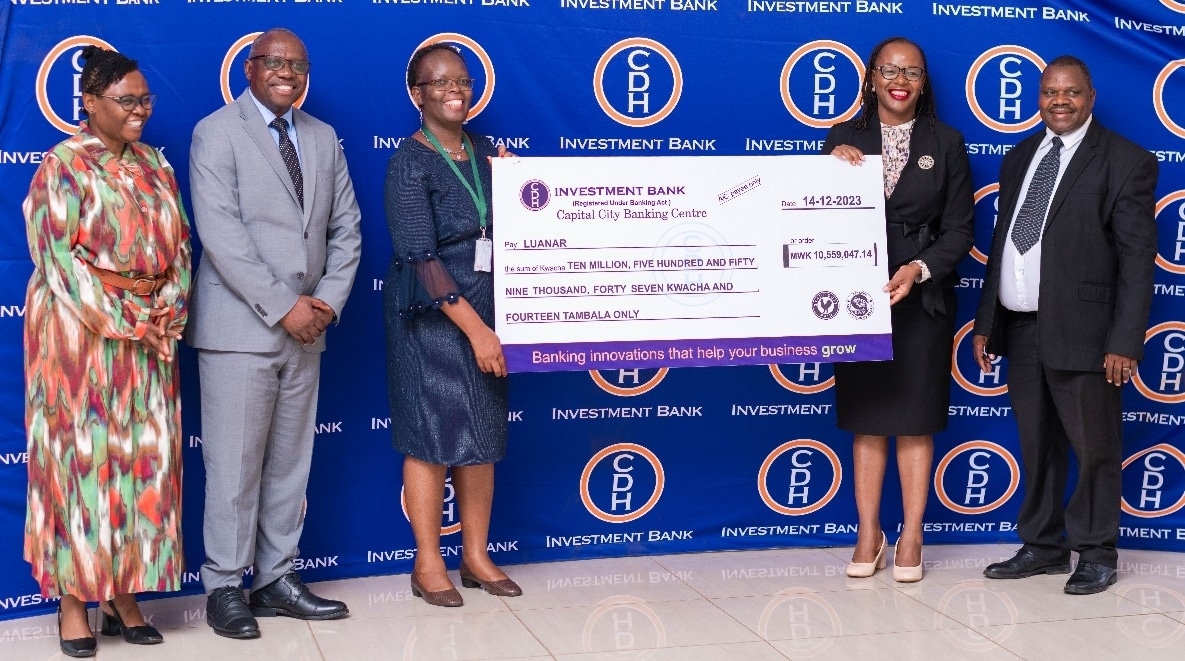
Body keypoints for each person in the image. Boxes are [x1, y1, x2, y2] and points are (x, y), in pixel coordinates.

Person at [187, 27, 362, 637]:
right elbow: (222, 234)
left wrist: (326, 306)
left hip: (307, 330)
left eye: (298, 64)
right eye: (275, 62)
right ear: (250, 68)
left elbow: (347, 231)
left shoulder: (322, 137)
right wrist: (285, 305)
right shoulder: (216, 131)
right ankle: (226, 585)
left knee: (290, 464)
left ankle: (276, 579)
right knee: (234, 469)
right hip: (241, 328)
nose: (287, 72)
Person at [22, 46, 191, 657]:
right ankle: (73, 601)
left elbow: (181, 248)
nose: (140, 111)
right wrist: (127, 320)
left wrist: (167, 309)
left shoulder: (156, 165)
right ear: (89, 102)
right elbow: (58, 260)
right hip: (79, 340)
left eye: (145, 100)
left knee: (142, 462)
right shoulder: (61, 165)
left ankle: (124, 594)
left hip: (149, 338)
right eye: (126, 101)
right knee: (81, 465)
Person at [974, 55, 1157, 595]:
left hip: (1089, 335)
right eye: (1051, 92)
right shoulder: (1021, 156)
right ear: (1039, 96)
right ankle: (1044, 545)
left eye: (1071, 92)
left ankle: (1097, 550)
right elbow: (1004, 247)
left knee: (1094, 447)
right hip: (1022, 326)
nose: (1060, 101)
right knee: (1037, 444)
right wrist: (988, 320)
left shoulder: (1125, 161)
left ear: (1091, 96)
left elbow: (1137, 260)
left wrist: (1125, 340)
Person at [823, 36, 974, 583]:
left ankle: (912, 534)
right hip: (856, 300)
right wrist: (831, 169)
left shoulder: (947, 141)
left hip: (922, 298)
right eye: (890, 69)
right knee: (868, 422)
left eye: (912, 70)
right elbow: (814, 217)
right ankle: (869, 533)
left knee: (913, 423)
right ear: (871, 78)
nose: (900, 79)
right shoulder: (843, 140)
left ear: (923, 81)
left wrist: (918, 269)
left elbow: (960, 230)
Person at [383, 42, 520, 607]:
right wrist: (477, 331)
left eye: (462, 81)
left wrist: (521, 185)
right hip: (432, 314)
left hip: (488, 305)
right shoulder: (407, 162)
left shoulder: (486, 149)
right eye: (439, 82)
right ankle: (427, 563)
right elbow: (422, 259)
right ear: (418, 94)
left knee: (482, 436)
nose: (454, 91)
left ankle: (477, 557)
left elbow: (521, 219)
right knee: (431, 437)